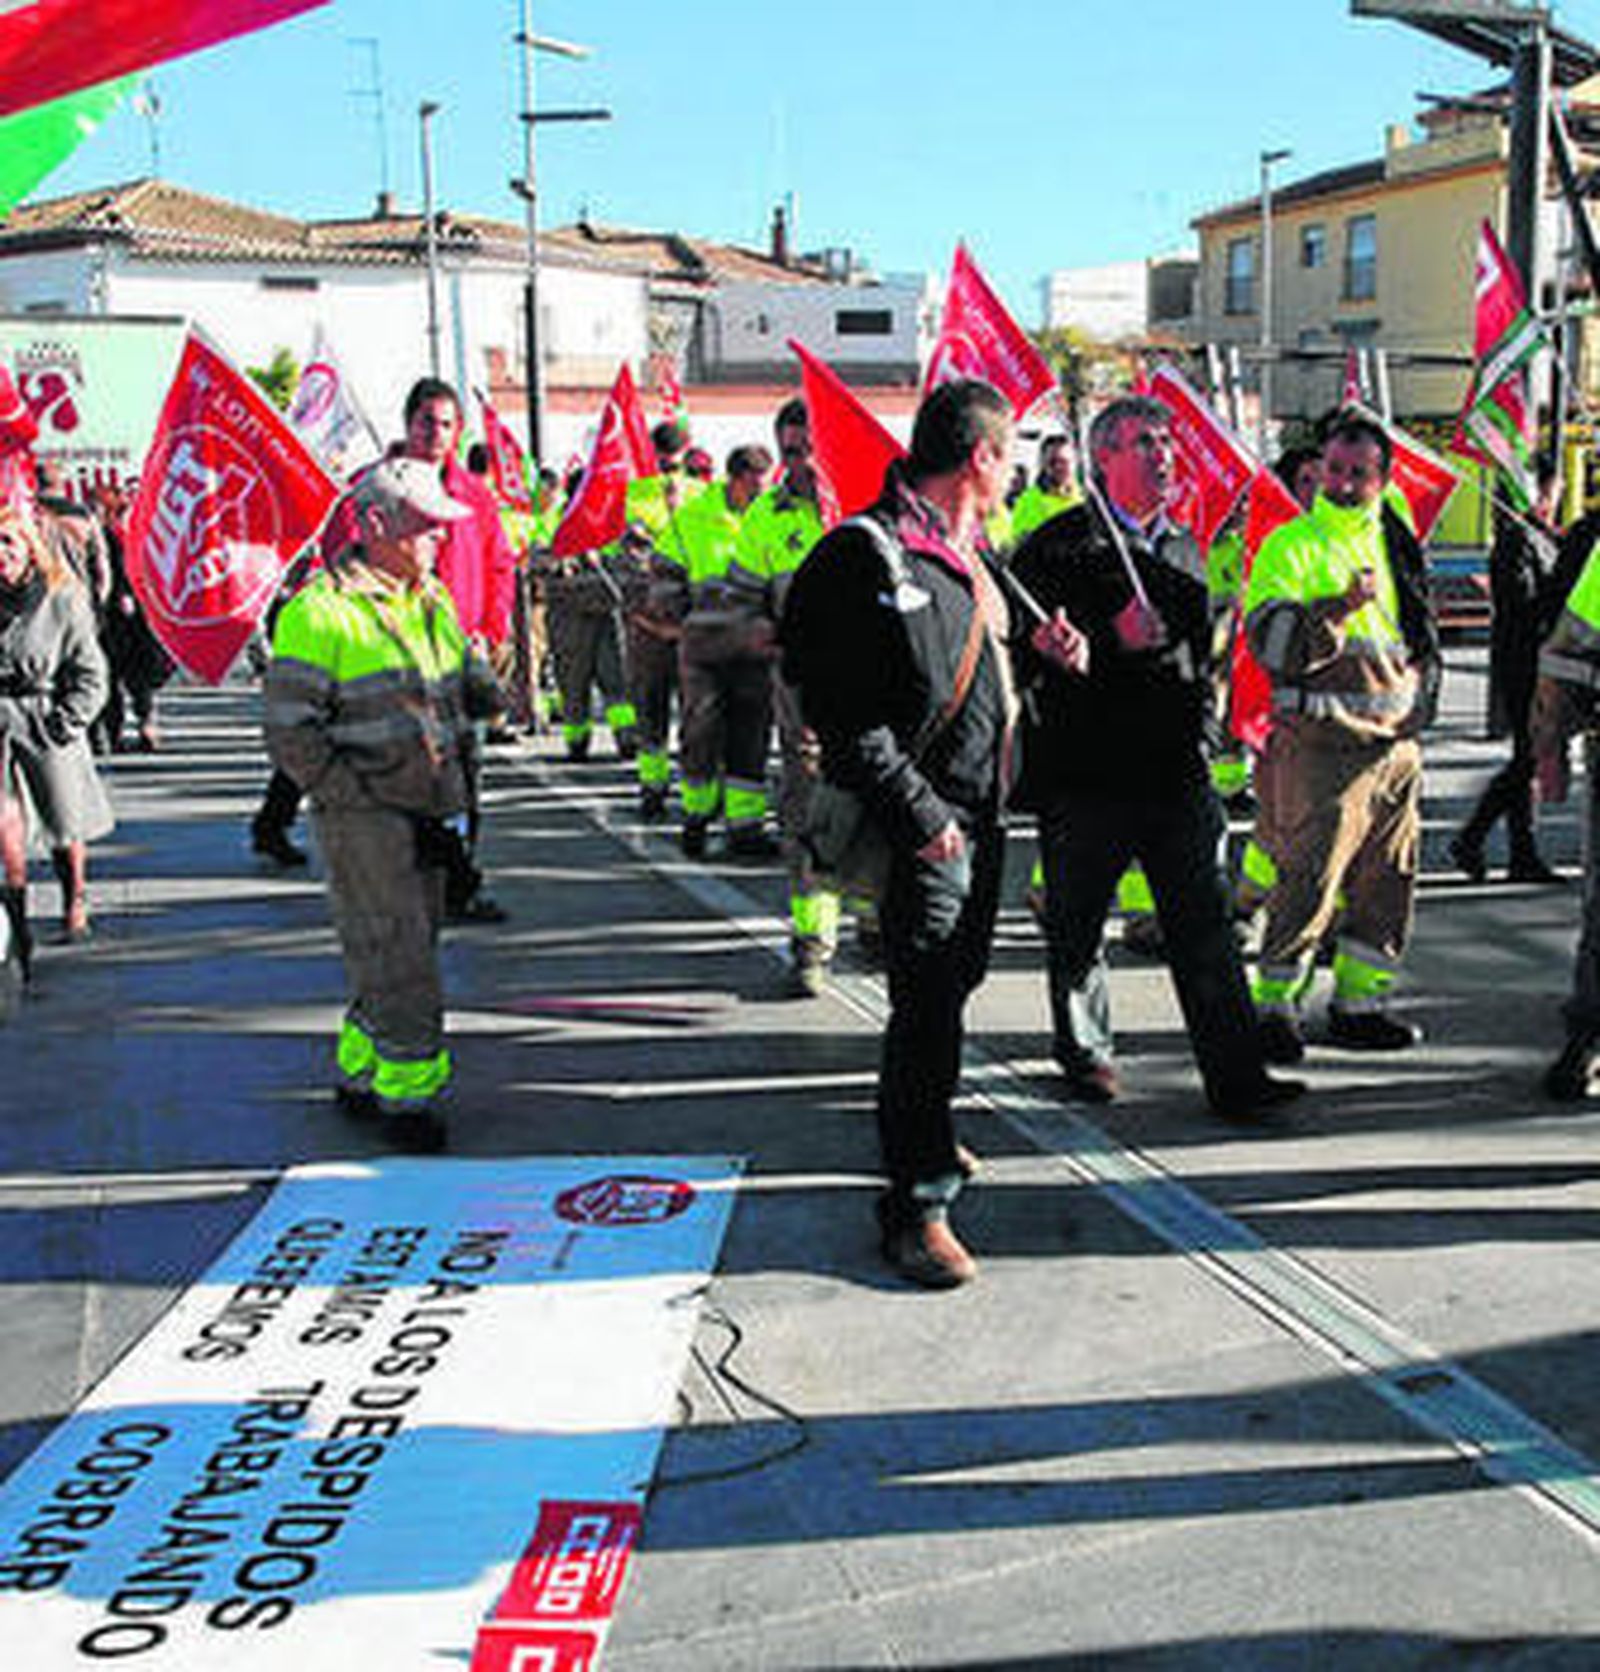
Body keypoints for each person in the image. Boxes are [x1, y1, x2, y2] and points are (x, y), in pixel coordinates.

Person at [782, 378, 1086, 1289]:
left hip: (981, 820)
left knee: (953, 990)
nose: (1015, 478)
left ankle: (930, 1130)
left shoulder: (974, 556)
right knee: (922, 1014)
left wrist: (1051, 662)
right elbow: (844, 717)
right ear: (981, 459)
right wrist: (924, 824)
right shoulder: (866, 555)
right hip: (928, 827)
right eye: (1009, 459)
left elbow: (988, 685)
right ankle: (915, 1204)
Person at [1011, 394, 1303, 1126]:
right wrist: (1104, 642)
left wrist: (1209, 732)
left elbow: (1200, 660)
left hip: (1175, 772)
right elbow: (1018, 653)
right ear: (1103, 456)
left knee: (1204, 924)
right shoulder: (1057, 549)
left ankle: (1237, 1076)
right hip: (1087, 776)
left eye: (1167, 441)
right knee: (1078, 928)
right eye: (1144, 442)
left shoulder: (1185, 548)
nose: (1163, 454)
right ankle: (1086, 1053)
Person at [263, 459, 500, 1153]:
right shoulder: (318, 611)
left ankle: (362, 1067)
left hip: (430, 807)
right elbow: (289, 731)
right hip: (367, 816)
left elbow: (460, 681)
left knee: (402, 942)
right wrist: (347, 799)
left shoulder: (428, 598)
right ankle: (408, 1097)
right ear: (373, 526)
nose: (440, 539)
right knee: (399, 954)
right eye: (425, 527)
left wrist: (485, 686)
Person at [1245, 407, 1440, 1060]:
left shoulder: (1398, 543)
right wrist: (1336, 608)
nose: (1345, 483)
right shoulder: (1292, 545)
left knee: (1388, 886)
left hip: (1395, 749)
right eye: (1334, 470)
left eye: (1360, 473)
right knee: (1308, 884)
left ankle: (1360, 1008)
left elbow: (1421, 640)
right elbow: (1270, 645)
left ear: (1383, 479)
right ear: (1316, 471)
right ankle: (1274, 1013)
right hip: (1323, 751)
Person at [734, 399, 827, 971]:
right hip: (803, 692)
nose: (803, 462)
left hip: (877, 691)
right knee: (807, 810)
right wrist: (753, 625)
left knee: (872, 806)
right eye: (792, 451)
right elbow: (739, 596)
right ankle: (812, 937)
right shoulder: (765, 516)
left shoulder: (872, 500)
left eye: (812, 448)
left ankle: (874, 923)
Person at [0, 503, 113, 967]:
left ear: (29, 546)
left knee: (65, 820)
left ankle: (75, 896)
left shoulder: (61, 597)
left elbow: (91, 673)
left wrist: (66, 721)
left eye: (7, 542)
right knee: (5, 829)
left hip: (45, 714)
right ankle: (17, 924)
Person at [1449, 461, 1562, 886]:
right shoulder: (1517, 542)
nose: (1553, 500)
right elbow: (1522, 606)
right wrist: (1558, 603)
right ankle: (1475, 838)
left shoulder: (1539, 537)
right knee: (1527, 757)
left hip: (1536, 659)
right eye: (1550, 490)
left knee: (1527, 759)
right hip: (1524, 662)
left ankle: (1520, 852)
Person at [675, 444, 777, 862]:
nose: (759, 495)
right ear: (734, 481)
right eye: (753, 486)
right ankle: (696, 818)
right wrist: (682, 623)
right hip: (704, 652)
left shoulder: (771, 516)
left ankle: (745, 828)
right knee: (701, 733)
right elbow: (664, 575)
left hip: (754, 652)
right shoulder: (691, 518)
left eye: (764, 487)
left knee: (751, 736)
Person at [620, 421, 700, 818]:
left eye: (676, 465)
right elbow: (625, 565)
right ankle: (652, 787)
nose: (670, 473)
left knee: (695, 713)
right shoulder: (632, 497)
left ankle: (694, 796)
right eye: (664, 465)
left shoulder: (702, 498)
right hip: (648, 626)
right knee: (650, 707)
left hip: (690, 628)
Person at [1009, 433, 1083, 543]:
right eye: (1052, 462)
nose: (1058, 467)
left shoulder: (1085, 498)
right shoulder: (1027, 501)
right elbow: (1019, 543)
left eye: (1063, 461)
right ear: (1043, 465)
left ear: (1074, 463)